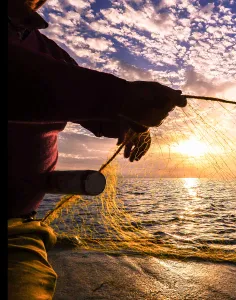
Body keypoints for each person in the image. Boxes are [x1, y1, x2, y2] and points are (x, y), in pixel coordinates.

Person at [7, 0, 187, 299]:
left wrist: (131, 125)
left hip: (16, 229)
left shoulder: (49, 52)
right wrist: (120, 97)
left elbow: (87, 107)